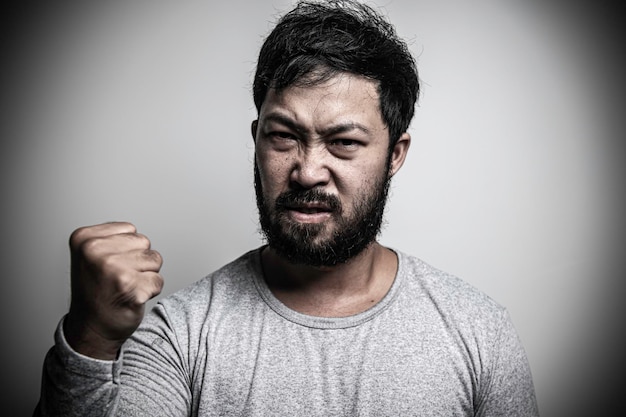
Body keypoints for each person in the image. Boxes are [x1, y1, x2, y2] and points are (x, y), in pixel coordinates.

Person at [34, 1, 539, 415]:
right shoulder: (180, 334)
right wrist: (91, 340)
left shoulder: (478, 332)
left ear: (395, 156)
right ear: (256, 140)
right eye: (284, 136)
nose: (307, 171)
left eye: (343, 142)